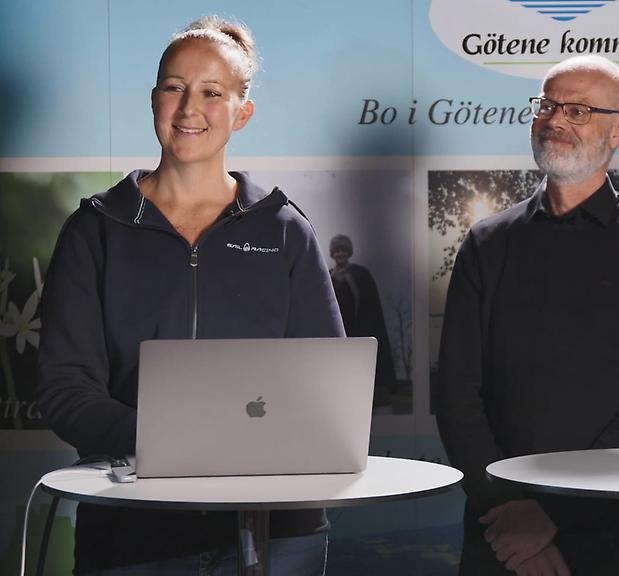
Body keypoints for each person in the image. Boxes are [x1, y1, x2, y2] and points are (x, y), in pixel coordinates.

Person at [36, 16, 344, 575]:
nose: (188, 109)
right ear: (154, 99)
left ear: (242, 113)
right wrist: (171, 441)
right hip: (135, 534)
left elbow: (329, 386)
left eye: (211, 93)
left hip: (279, 533)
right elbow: (65, 388)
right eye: (174, 88)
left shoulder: (285, 230)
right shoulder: (94, 230)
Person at [436, 55, 619, 576]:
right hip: (501, 535)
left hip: (616, 535)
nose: (555, 120)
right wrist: (510, 515)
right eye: (547, 106)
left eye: (578, 111)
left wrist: (549, 516)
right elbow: (456, 393)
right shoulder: (488, 243)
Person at [329, 233, 397, 410]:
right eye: (337, 250)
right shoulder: (328, 277)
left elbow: (369, 307)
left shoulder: (361, 274)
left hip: (359, 333)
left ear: (349, 252)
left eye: (343, 250)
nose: (340, 254)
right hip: (337, 337)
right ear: (332, 254)